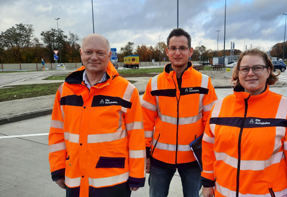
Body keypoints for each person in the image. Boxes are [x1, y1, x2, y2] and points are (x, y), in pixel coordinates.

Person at [201, 48, 287, 197]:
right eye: (244, 69)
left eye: (257, 68)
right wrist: (207, 182)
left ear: (268, 70)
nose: (250, 73)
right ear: (238, 73)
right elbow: (208, 149)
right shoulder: (219, 107)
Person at [48, 34, 145, 197]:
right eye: (88, 52)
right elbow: (57, 133)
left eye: (100, 53)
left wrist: (137, 173)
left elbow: (136, 135)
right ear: (81, 53)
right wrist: (58, 168)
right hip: (75, 178)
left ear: (109, 55)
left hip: (114, 181)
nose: (94, 57)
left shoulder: (127, 91)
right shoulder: (65, 90)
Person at [141, 28, 217, 197]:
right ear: (167, 51)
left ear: (190, 51)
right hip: (160, 159)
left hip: (193, 160)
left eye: (182, 48)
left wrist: (209, 156)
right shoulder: (154, 84)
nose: (177, 52)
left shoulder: (204, 83)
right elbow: (145, 122)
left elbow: (211, 124)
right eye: (173, 48)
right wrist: (145, 153)